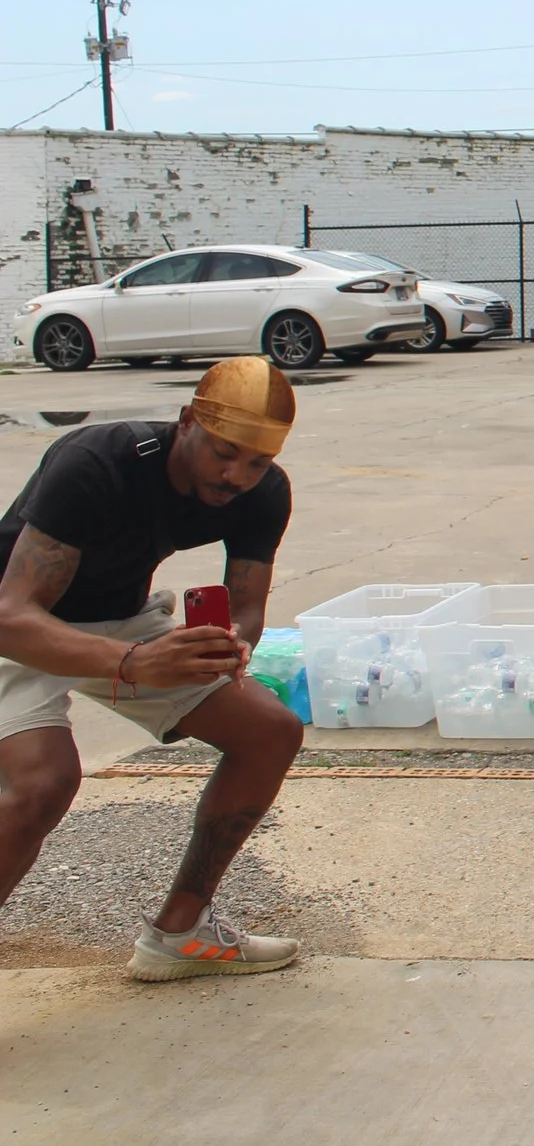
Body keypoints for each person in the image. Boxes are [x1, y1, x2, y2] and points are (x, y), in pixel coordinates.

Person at [0, 358, 307, 980]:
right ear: (188, 420)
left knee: (270, 731)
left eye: (257, 461)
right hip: (24, 625)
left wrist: (230, 646)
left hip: (122, 618)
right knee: (44, 784)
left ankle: (180, 932)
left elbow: (247, 605)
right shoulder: (98, 462)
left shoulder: (262, 493)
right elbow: (12, 614)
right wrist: (136, 663)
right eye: (225, 453)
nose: (237, 476)